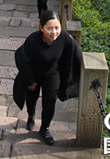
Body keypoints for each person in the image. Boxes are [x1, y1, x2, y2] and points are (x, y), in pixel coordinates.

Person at [13, 10, 83, 145]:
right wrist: (29, 79)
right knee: (31, 99)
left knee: (50, 103)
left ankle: (45, 128)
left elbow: (77, 55)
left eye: (57, 28)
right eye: (49, 28)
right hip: (34, 75)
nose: (54, 32)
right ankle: (31, 116)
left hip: (52, 75)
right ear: (41, 28)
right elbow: (21, 59)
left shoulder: (65, 38)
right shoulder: (32, 40)